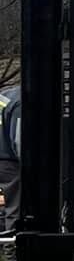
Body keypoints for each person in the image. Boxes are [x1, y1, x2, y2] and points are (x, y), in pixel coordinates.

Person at [0, 85, 18, 235]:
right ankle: (11, 250)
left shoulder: (5, 95)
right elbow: (18, 141)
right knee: (14, 207)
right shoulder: (21, 101)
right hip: (9, 163)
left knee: (2, 203)